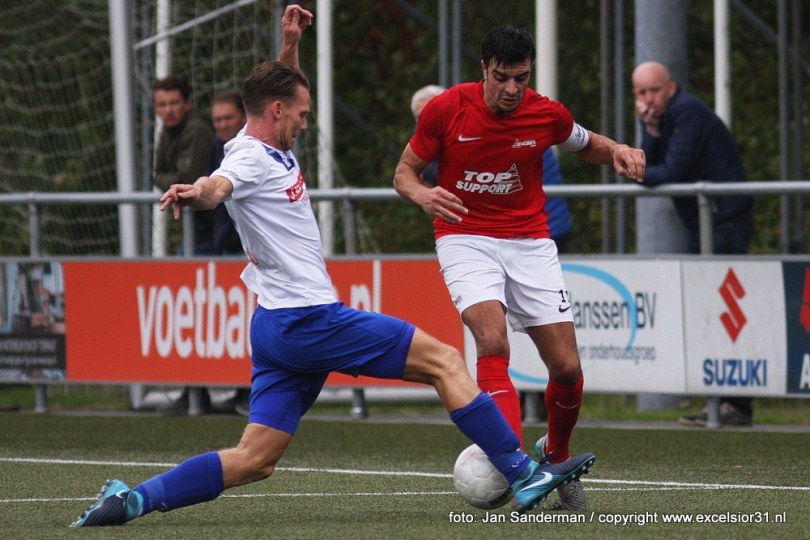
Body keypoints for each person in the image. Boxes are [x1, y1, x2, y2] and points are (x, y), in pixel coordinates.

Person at [70, 7, 594, 528]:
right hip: (309, 319)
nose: (306, 121)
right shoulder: (247, 159)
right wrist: (199, 192)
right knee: (445, 362)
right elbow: (219, 185)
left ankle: (132, 499)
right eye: (302, 113)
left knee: (255, 459)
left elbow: (278, 91)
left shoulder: (262, 135)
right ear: (278, 111)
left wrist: (290, 45)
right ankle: (523, 472)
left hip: (274, 327)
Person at [394, 25, 645, 511]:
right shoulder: (446, 109)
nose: (512, 89)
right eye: (502, 77)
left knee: (567, 369)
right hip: (464, 236)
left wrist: (617, 150)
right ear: (484, 70)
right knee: (492, 340)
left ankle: (557, 457)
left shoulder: (546, 113)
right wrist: (423, 195)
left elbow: (585, 142)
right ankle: (517, 466)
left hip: (529, 241)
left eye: (522, 78)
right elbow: (404, 172)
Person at [631, 61, 754, 428]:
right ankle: (721, 403)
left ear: (671, 87)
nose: (648, 100)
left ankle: (735, 405)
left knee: (727, 313)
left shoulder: (687, 112)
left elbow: (668, 171)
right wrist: (650, 130)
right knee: (710, 312)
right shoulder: (665, 118)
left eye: (654, 91)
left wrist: (634, 169)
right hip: (704, 224)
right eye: (641, 93)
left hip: (723, 222)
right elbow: (652, 162)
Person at [208, 89, 250, 415]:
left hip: (250, 254)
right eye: (217, 120)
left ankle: (251, 392)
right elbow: (211, 187)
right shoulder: (216, 148)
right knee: (236, 325)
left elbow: (216, 189)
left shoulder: (254, 151)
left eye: (228, 118)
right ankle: (239, 390)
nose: (222, 125)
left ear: (245, 117)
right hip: (225, 246)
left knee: (253, 324)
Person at [153, 73, 217, 255]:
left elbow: (186, 182)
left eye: (174, 103)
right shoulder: (167, 131)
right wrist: (170, 180)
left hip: (216, 226)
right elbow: (157, 174)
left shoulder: (197, 128)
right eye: (162, 105)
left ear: (187, 104)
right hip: (198, 227)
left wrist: (170, 181)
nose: (168, 110)